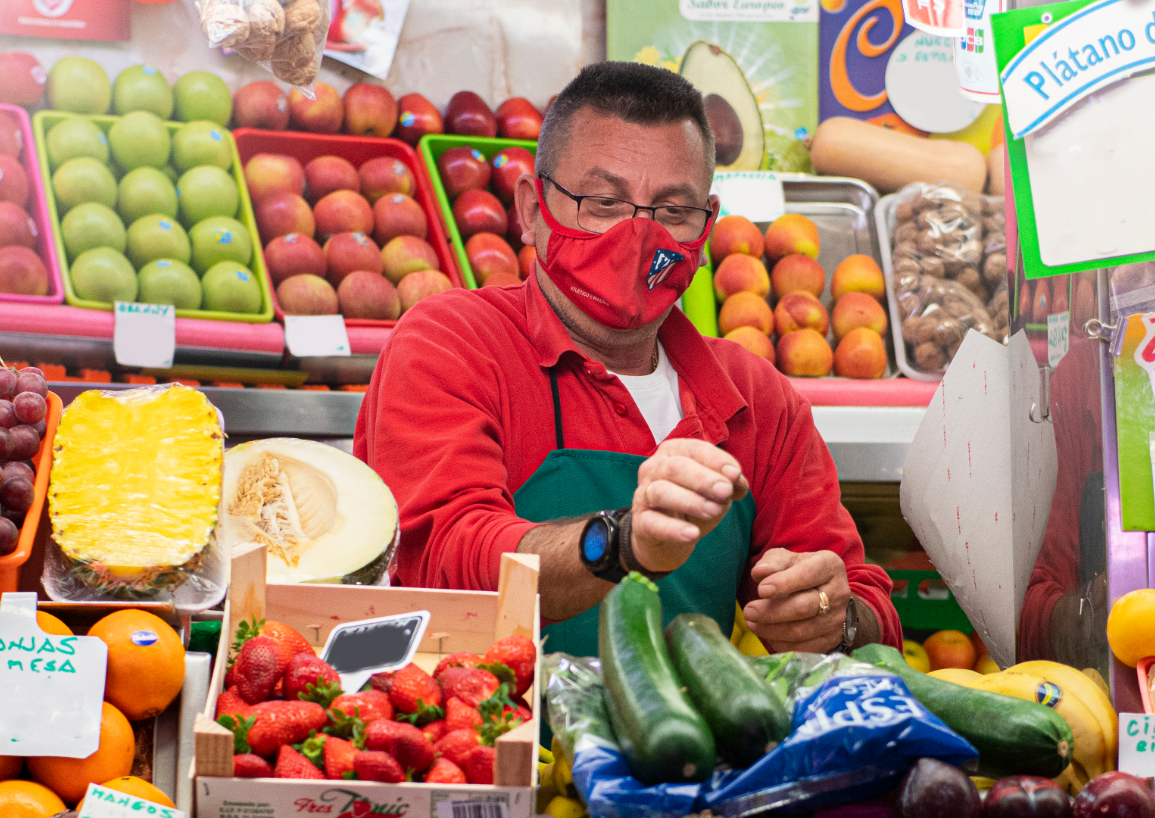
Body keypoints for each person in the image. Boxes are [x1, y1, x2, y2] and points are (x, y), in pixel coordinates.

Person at [354, 61, 900, 657]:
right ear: (533, 209)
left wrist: (836, 618)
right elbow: (443, 561)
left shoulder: (754, 398)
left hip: (679, 748)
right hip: (480, 740)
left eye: (672, 211)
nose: (637, 235)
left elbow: (866, 601)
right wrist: (621, 543)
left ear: (707, 223)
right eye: (603, 201)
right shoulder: (452, 342)